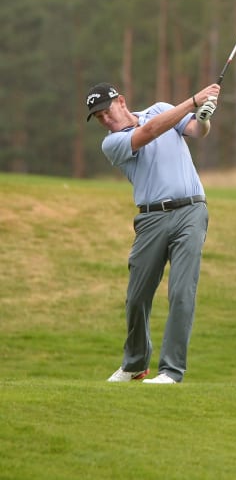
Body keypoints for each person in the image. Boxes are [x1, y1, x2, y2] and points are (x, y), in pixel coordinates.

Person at [86, 81, 220, 384]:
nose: (105, 120)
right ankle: (135, 363)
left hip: (191, 211)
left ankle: (171, 371)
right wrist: (193, 101)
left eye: (106, 111)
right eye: (98, 118)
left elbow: (196, 131)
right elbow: (149, 133)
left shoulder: (160, 109)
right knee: (137, 297)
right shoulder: (112, 143)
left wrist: (204, 116)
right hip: (150, 220)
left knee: (181, 292)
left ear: (121, 101)